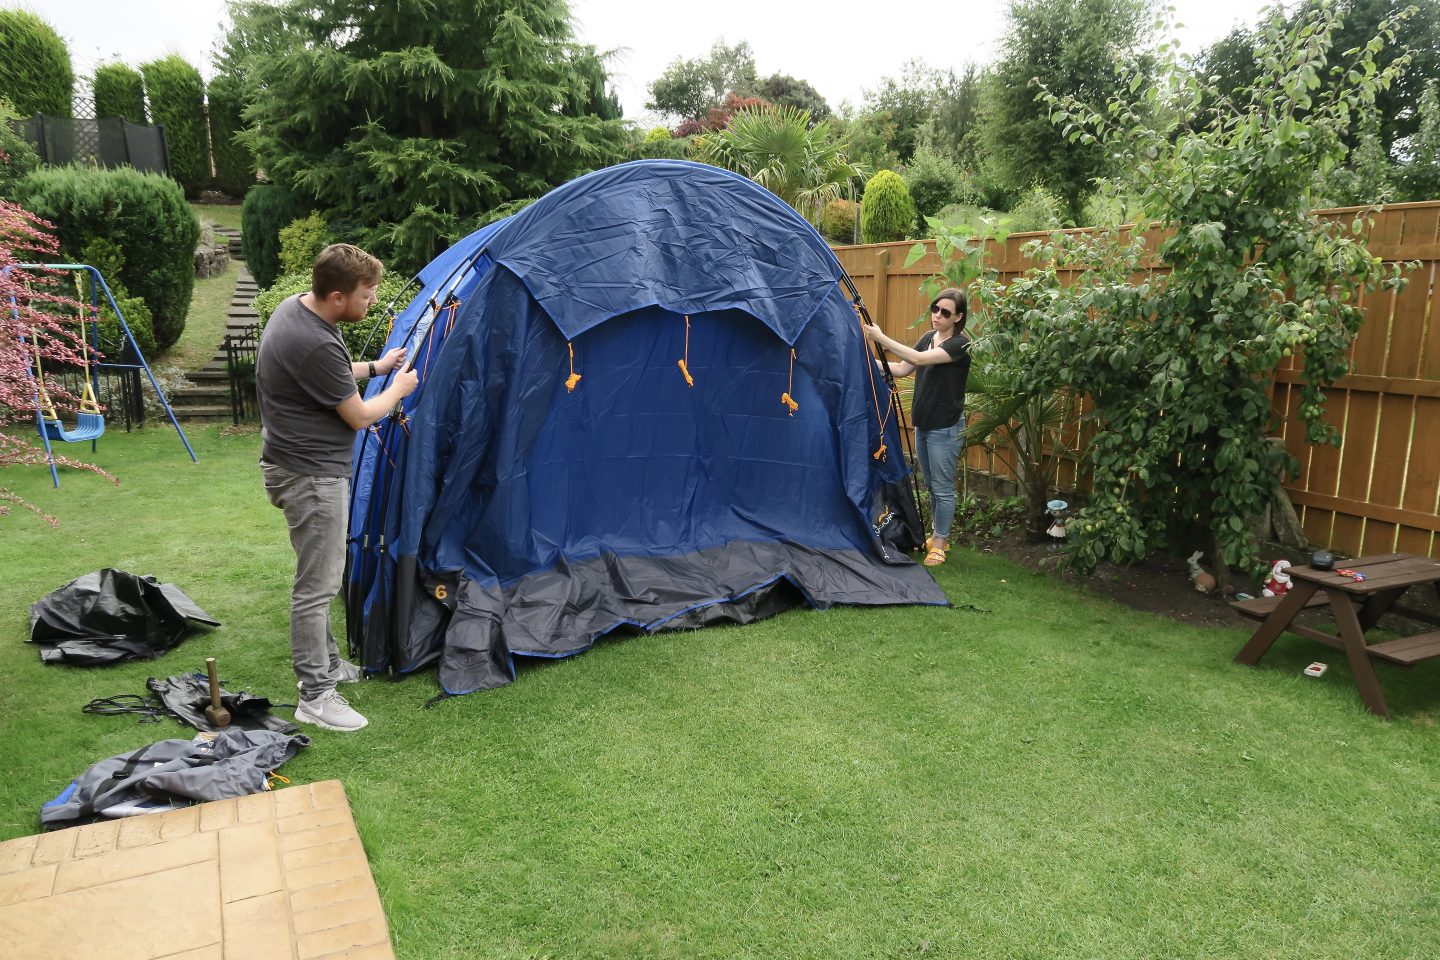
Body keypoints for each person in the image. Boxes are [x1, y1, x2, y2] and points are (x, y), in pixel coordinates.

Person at [256, 243, 419, 731]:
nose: (371, 303)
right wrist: (397, 390)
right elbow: (361, 414)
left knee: (319, 580)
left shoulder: (296, 312)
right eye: (367, 297)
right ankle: (315, 695)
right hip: (311, 477)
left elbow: (329, 378)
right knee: (317, 587)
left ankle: (327, 666)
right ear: (335, 296)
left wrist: (376, 368)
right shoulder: (317, 340)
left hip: (294, 466)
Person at [863, 287, 972, 567]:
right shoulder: (928, 338)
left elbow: (920, 360)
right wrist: (865, 361)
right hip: (923, 424)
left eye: (945, 312)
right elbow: (900, 369)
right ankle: (938, 539)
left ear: (958, 317)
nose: (937, 315)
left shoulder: (959, 345)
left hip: (945, 427)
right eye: (935, 309)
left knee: (943, 488)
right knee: (933, 487)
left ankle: (939, 543)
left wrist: (881, 337)